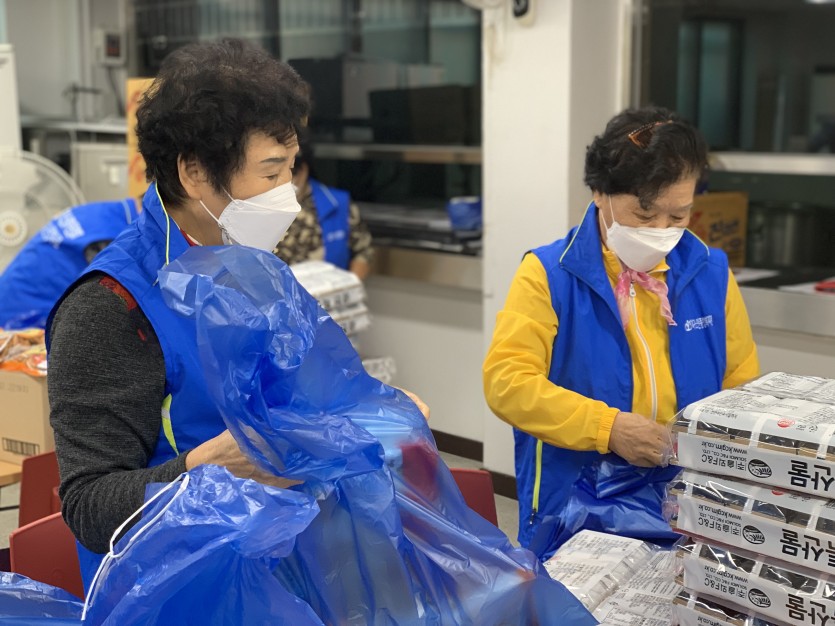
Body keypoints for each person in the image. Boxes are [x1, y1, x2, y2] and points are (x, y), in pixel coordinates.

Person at [46, 39, 427, 592]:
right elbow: (90, 507)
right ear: (194, 173)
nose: (288, 197)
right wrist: (204, 470)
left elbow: (298, 401)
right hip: (177, 589)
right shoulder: (111, 305)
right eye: (270, 175)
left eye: (291, 171)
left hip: (281, 562)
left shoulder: (253, 268)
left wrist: (368, 410)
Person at [482, 106, 759, 560]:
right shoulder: (550, 274)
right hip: (576, 498)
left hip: (686, 496)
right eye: (644, 214)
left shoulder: (710, 273)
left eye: (679, 216)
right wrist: (608, 428)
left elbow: (741, 386)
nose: (661, 231)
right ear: (600, 193)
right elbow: (507, 384)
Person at [0, 198, 138, 329]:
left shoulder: (99, 211)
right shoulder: (116, 234)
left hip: (11, 290)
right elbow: (106, 298)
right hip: (22, 312)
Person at [273, 131, 374, 279]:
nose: (283, 181)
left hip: (324, 290)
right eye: (273, 175)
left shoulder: (337, 204)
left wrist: (347, 286)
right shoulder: (258, 205)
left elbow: (364, 251)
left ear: (304, 169)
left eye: (292, 172)